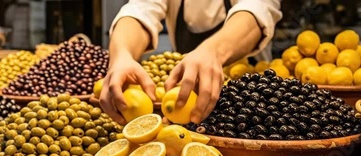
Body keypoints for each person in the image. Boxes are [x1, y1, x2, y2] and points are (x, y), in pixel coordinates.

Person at [100, 0, 282, 124]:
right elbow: (139, 10)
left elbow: (257, 9)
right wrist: (122, 54)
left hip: (252, 103)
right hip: (186, 102)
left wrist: (214, 52)